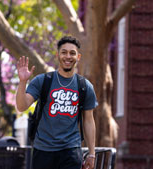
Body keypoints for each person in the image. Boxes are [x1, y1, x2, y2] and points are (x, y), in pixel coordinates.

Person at [16, 35, 98, 169]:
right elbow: (22, 106)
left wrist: (92, 154)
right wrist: (23, 82)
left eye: (72, 53)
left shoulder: (84, 86)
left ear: (78, 57)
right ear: (57, 55)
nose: (68, 56)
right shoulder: (43, 81)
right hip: (43, 150)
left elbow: (89, 120)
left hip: (71, 150)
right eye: (64, 52)